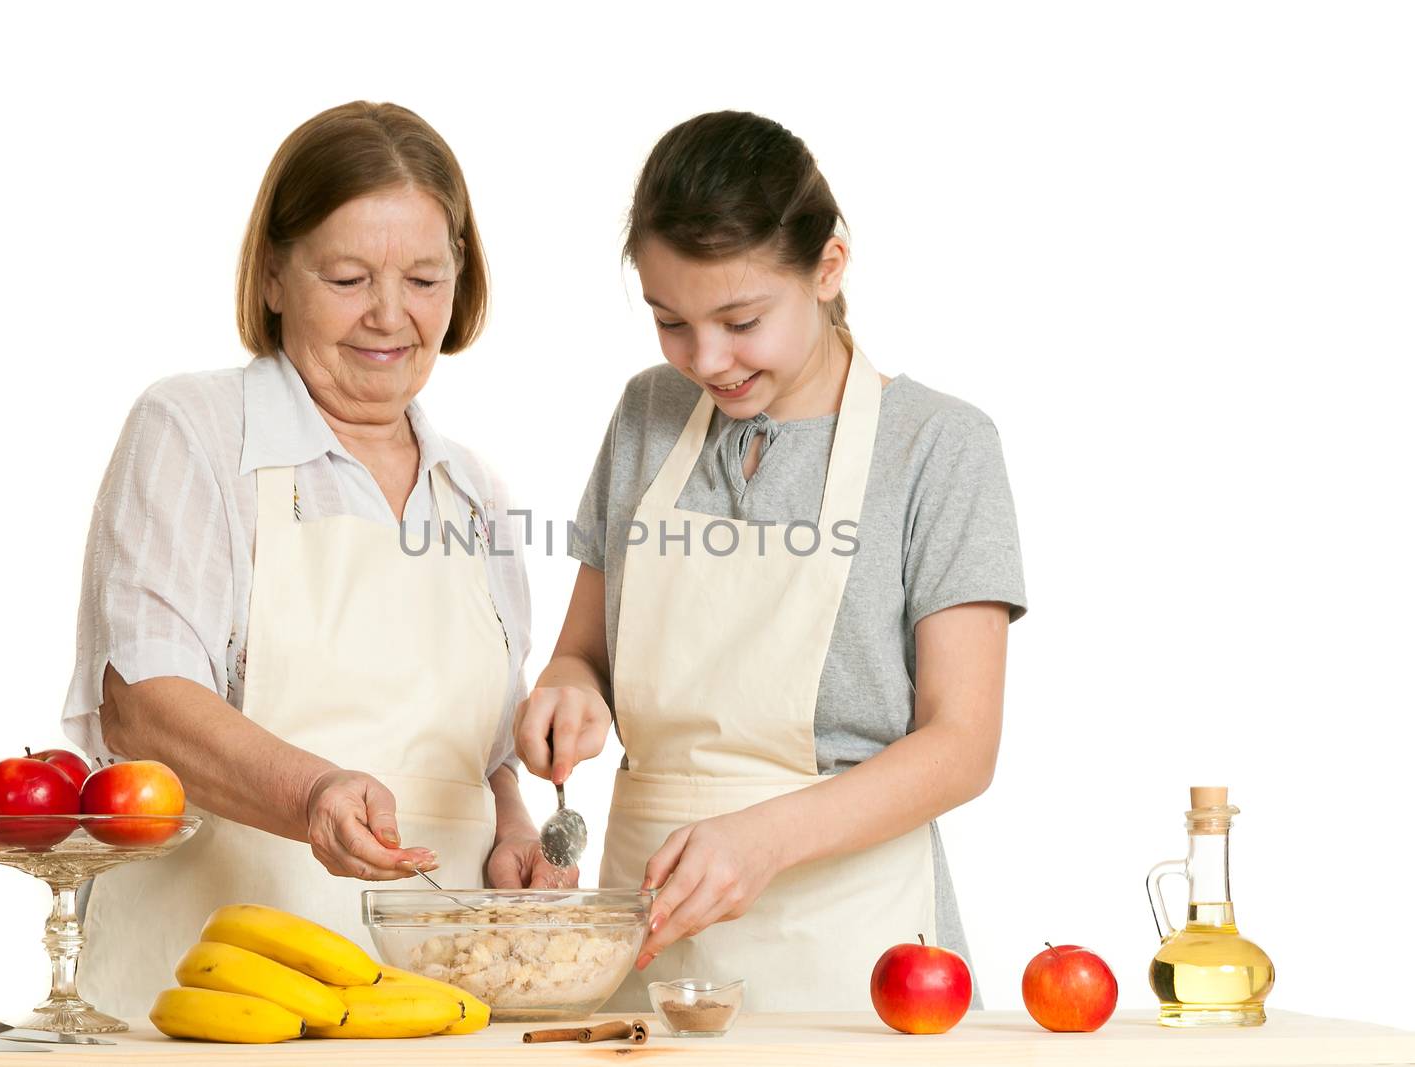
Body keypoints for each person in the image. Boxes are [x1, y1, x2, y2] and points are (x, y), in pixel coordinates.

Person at [60, 102, 568, 1019]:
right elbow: (143, 704)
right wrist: (314, 794)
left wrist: (514, 826)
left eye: (423, 277)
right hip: (214, 988)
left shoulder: (474, 492)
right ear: (272, 277)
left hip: (436, 1002)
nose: (389, 315)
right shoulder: (195, 430)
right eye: (346, 277)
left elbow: (480, 747)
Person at [515, 111, 1027, 1011]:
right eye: (671, 321)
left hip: (863, 956)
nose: (706, 360)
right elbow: (582, 650)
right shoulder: (648, 415)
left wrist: (762, 839)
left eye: (741, 320)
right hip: (648, 938)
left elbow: (961, 745)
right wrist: (568, 687)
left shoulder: (939, 447)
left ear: (828, 269)